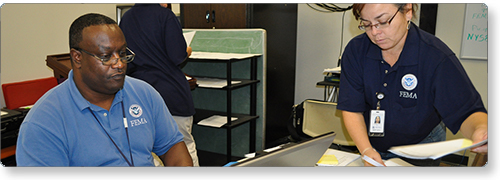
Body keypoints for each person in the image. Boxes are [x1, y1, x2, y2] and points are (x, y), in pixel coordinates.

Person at [16, 13, 193, 166]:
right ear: (77, 58)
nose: (119, 64)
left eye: (123, 54)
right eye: (106, 56)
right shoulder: (43, 122)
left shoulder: (144, 93)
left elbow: (174, 149)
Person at [337, 3, 488, 166]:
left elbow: (466, 112)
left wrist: (480, 129)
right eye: (366, 24)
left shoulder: (435, 56)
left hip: (422, 147)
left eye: (383, 21)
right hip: (372, 143)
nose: (375, 32)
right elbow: (351, 109)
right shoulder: (357, 50)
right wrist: (366, 150)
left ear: (407, 11)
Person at [119, 3, 199, 166]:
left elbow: (126, 59)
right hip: (170, 91)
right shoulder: (165, 16)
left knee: (149, 151)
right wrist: (187, 51)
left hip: (137, 93)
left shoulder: (126, 18)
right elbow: (177, 56)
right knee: (183, 146)